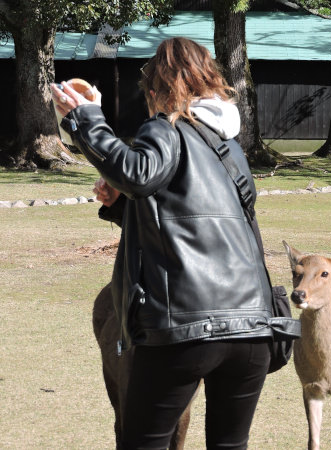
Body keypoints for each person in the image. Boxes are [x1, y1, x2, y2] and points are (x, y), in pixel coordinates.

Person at [52, 37, 275, 449]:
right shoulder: (230, 148)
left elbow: (137, 173)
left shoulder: (165, 126)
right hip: (252, 328)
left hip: (187, 327)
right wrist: (123, 205)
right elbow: (193, 218)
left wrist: (85, 118)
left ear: (156, 90)